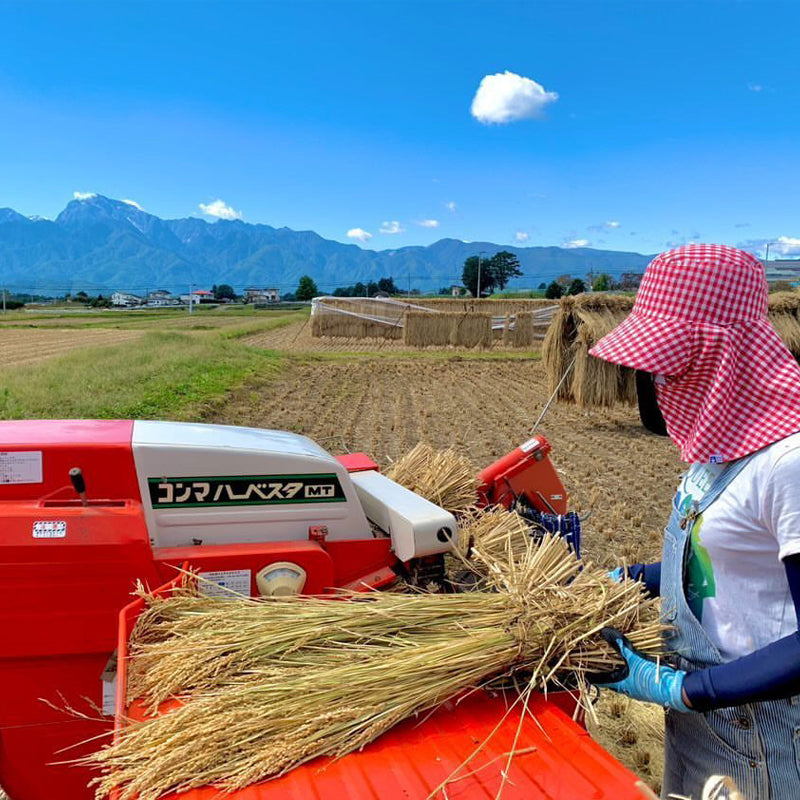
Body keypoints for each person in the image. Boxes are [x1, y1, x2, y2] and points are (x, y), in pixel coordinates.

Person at [586, 244, 800, 799]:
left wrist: (683, 689)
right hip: (703, 725)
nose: (659, 381)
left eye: (672, 365)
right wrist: (632, 578)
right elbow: (724, 566)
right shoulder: (724, 448)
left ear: (724, 356)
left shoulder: (788, 462)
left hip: (762, 737)